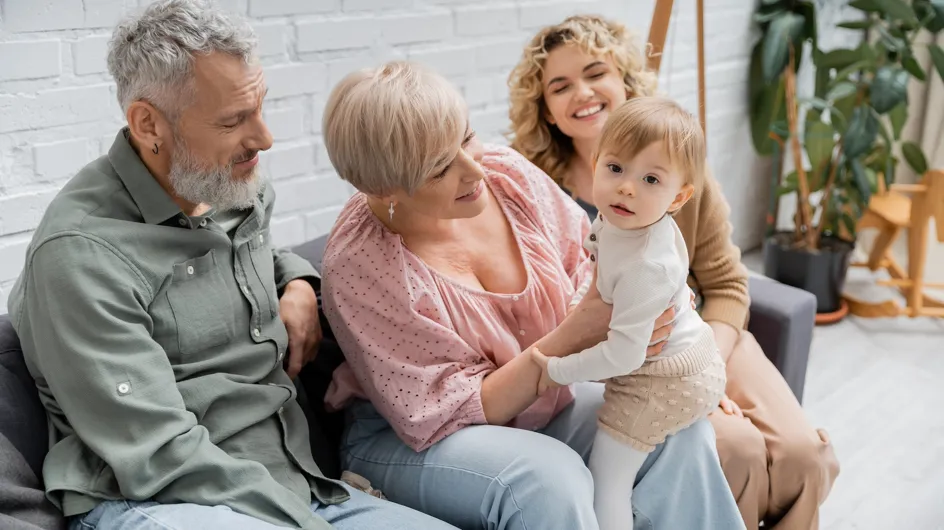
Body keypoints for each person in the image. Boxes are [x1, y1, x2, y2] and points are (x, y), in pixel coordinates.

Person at [6, 2, 460, 529]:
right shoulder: (81, 255)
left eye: (259, 107)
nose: (264, 138)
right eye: (233, 121)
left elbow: (249, 259)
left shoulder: (222, 187)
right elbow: (158, 454)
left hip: (291, 482)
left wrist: (299, 282)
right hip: (159, 499)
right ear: (148, 123)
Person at [319, 60, 745, 530]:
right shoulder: (362, 266)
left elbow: (593, 271)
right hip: (415, 438)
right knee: (550, 479)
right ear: (381, 189)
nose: (474, 169)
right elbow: (447, 412)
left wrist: (675, 368)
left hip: (540, 400)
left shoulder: (508, 176)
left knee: (673, 429)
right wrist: (576, 334)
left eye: (466, 137)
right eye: (441, 167)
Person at [507, 14, 840, 529]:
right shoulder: (532, 188)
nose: (583, 93)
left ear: (624, 79)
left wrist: (711, 366)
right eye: (560, 85)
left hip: (708, 337)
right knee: (737, 448)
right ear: (545, 109)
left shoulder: (683, 168)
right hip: (634, 363)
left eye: (596, 73)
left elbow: (727, 282)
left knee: (803, 454)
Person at [531, 97, 727, 529]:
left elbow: (623, 358)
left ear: (679, 197)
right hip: (681, 356)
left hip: (665, 379)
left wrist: (559, 369)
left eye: (650, 178)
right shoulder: (619, 220)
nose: (627, 188)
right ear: (597, 162)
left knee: (608, 480)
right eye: (616, 169)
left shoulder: (647, 266)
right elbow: (599, 271)